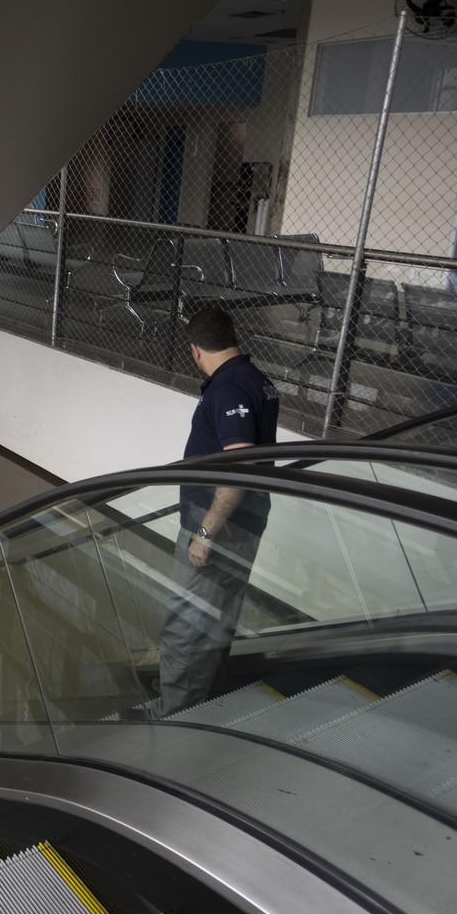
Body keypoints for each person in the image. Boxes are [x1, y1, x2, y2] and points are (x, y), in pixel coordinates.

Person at [155, 306, 278, 717]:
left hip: (217, 524)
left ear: (195, 350)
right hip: (247, 521)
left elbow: (240, 462)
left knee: (185, 626)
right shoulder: (258, 380)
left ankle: (174, 718)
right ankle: (206, 705)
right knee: (219, 616)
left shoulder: (227, 388)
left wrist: (205, 534)